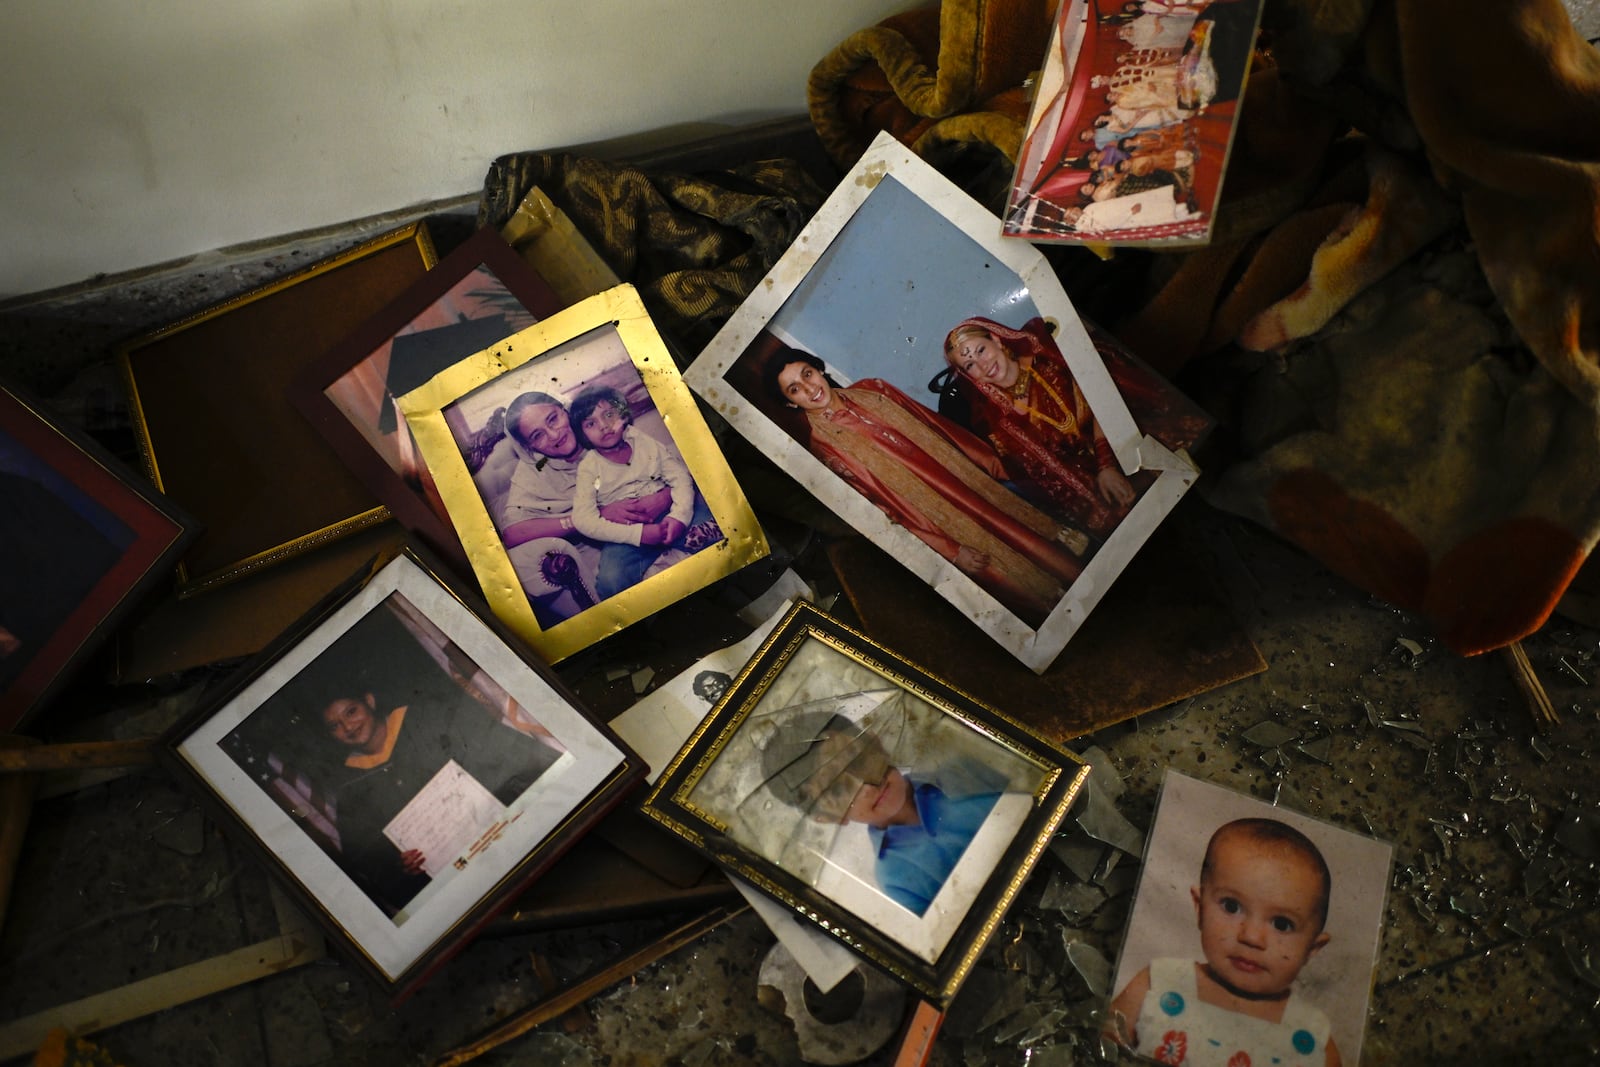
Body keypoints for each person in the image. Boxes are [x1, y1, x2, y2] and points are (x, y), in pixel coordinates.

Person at [764, 349, 1085, 626]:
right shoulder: (824, 451)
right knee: (1024, 588)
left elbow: (934, 422)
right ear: (791, 404)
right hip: (942, 524)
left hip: (971, 487)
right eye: (795, 389)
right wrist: (950, 550)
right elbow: (882, 512)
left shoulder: (873, 389)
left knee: (1043, 546)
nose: (809, 388)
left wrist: (991, 464)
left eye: (807, 374)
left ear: (819, 368)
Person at [1107, 818, 1342, 1067]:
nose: (1250, 937)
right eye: (1231, 906)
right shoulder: (1161, 982)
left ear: (1312, 949)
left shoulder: (1310, 1035)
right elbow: (1096, 1047)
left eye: (1282, 924)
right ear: (1200, 908)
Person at [319, 688, 562, 917]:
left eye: (351, 711)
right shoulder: (350, 792)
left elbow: (507, 758)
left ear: (369, 701)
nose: (348, 726)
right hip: (467, 888)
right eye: (334, 726)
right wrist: (399, 865)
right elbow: (370, 862)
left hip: (517, 841)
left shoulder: (429, 720)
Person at [758, 704, 1002, 917]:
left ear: (875, 742)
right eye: (836, 789)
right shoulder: (897, 878)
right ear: (826, 818)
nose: (865, 785)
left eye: (858, 760)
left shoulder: (962, 770)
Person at [942, 317, 1137, 538]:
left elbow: (1101, 396)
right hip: (1095, 492)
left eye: (980, 350)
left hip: (1123, 443)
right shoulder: (1000, 425)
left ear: (996, 340)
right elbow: (1050, 477)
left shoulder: (1047, 360)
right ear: (970, 377)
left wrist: (1107, 464)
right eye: (970, 365)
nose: (982, 365)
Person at [495, 390, 675, 615]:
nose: (553, 435)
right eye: (537, 436)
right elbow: (513, 534)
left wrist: (663, 497)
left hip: (661, 515)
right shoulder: (533, 471)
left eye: (553, 419)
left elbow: (671, 468)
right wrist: (593, 515)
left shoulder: (600, 427)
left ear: (565, 410)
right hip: (607, 544)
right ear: (530, 448)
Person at [567, 385, 719, 598]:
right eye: (591, 423)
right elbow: (582, 519)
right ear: (582, 434)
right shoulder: (589, 467)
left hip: (669, 516)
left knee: (717, 528)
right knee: (610, 584)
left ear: (622, 413)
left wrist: (679, 517)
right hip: (626, 534)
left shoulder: (641, 440)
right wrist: (638, 535)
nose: (604, 426)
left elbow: (680, 476)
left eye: (609, 415)